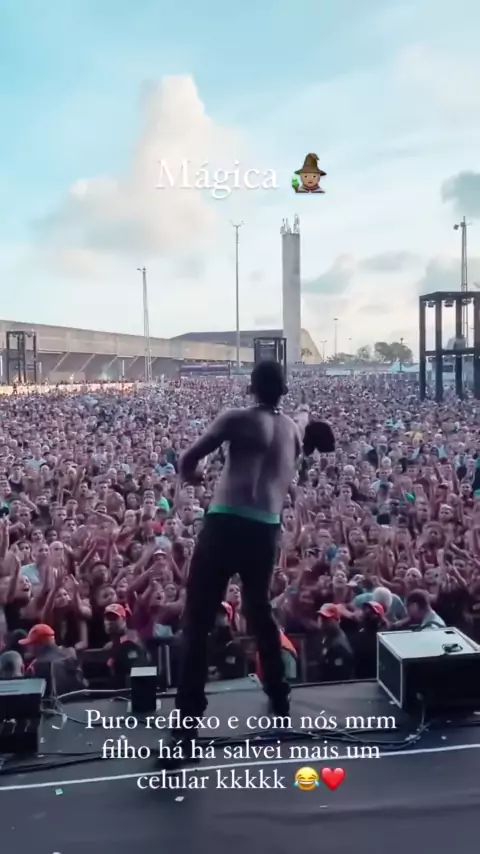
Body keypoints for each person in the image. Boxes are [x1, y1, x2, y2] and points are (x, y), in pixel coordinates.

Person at [172, 361, 301, 754]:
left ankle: (188, 721)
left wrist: (193, 478)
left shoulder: (237, 418)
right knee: (259, 611)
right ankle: (279, 696)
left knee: (197, 620)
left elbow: (188, 459)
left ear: (250, 388)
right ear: (284, 389)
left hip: (226, 522)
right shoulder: (293, 431)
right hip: (265, 528)